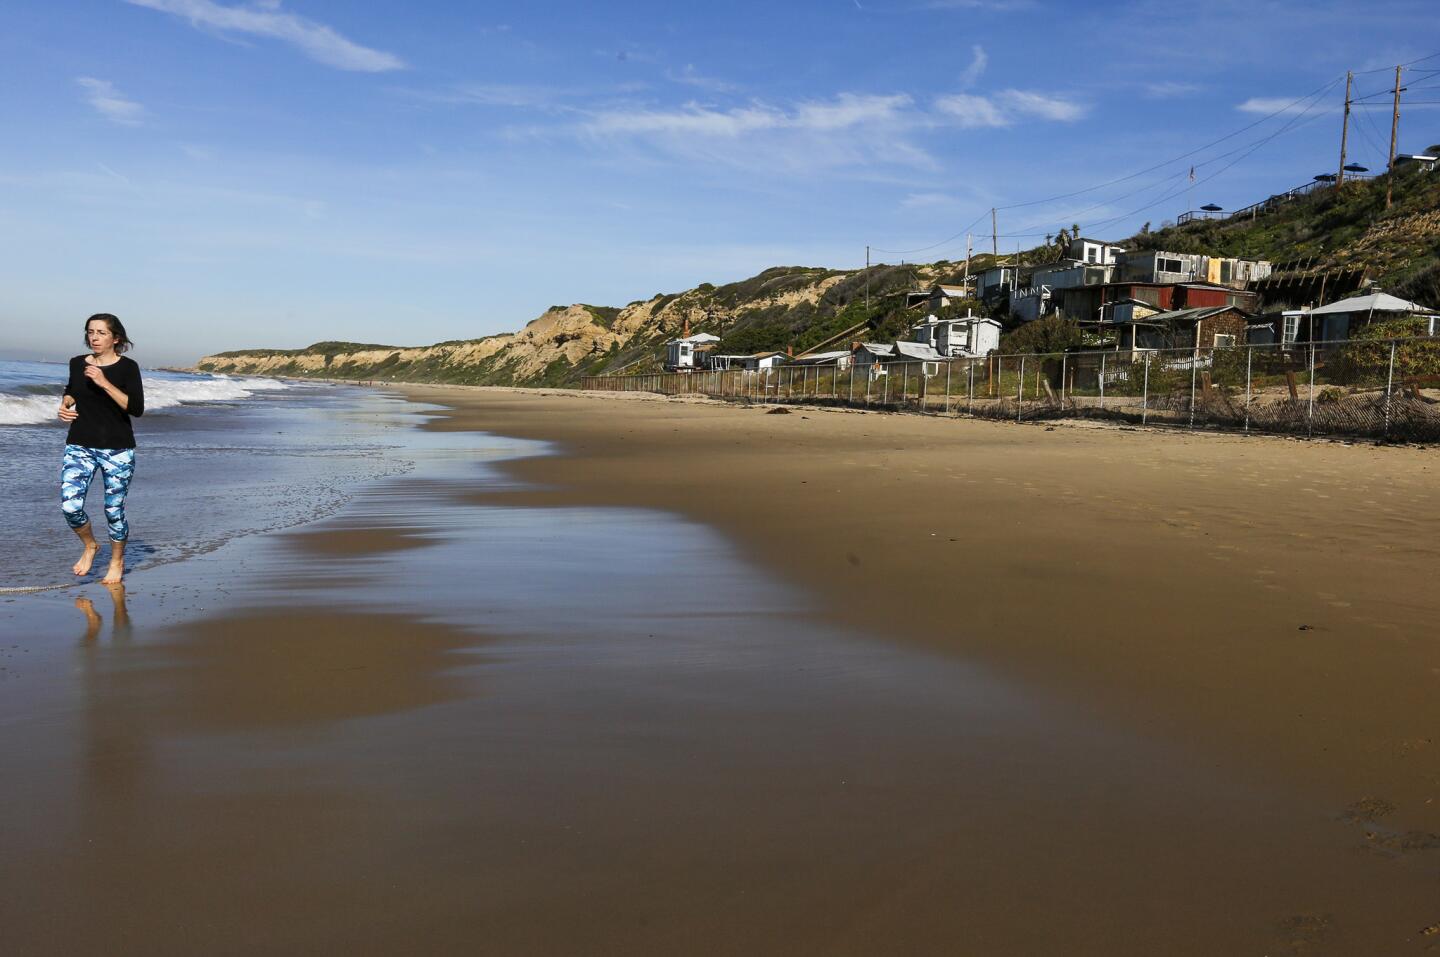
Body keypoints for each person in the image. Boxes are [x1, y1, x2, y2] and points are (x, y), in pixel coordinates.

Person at [56, 314, 145, 584]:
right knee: (70, 506)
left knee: (113, 510)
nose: (94, 337)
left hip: (117, 448)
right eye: (90, 332)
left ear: (115, 338)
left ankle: (117, 560)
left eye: (101, 333)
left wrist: (104, 382)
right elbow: (72, 390)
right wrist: (65, 405)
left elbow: (136, 409)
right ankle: (90, 546)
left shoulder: (128, 368)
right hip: (79, 444)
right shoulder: (77, 363)